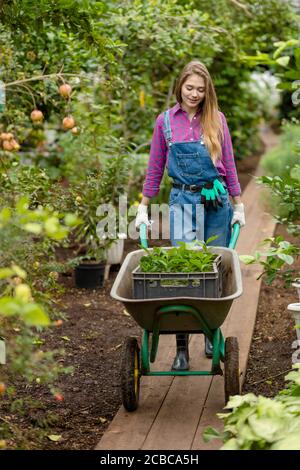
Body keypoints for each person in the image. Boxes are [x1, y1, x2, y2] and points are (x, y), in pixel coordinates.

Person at [135, 60, 245, 370]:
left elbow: (230, 165)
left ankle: (212, 332)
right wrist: (143, 206)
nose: (194, 94)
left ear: (207, 91)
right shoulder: (165, 122)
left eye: (200, 89)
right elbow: (156, 167)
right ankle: (181, 348)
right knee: (182, 271)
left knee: (215, 263)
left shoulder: (216, 119)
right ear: (180, 87)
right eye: (189, 88)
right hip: (182, 199)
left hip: (215, 200)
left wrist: (238, 204)